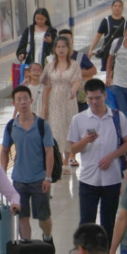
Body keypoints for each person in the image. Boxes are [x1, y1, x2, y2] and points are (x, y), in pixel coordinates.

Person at [68, 79, 127, 246]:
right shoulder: (79, 119)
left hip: (111, 179)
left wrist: (112, 156)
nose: (94, 102)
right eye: (90, 98)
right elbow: (72, 149)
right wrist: (85, 141)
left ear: (105, 95)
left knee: (108, 222)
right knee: (86, 223)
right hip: (88, 179)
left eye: (97, 98)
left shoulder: (117, 117)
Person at [1, 86, 55, 242]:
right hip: (19, 180)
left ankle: (47, 237)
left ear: (31, 101)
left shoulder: (42, 125)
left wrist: (48, 177)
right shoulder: (11, 126)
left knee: (43, 217)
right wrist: (3, 175)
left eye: (25, 98)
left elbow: (49, 152)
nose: (23, 102)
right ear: (14, 104)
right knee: (22, 217)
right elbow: (4, 151)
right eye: (19, 99)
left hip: (39, 179)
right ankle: (27, 245)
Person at [43, 36, 82, 168]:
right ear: (54, 49)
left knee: (68, 129)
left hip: (68, 101)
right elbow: (46, 86)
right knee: (56, 130)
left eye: (63, 47)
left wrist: (73, 90)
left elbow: (77, 81)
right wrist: (44, 106)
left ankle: (66, 161)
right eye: (58, 47)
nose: (61, 49)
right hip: (53, 101)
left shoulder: (75, 65)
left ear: (68, 48)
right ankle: (59, 162)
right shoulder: (49, 66)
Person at [89, 0, 127, 71]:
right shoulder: (106, 21)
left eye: (119, 6)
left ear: (122, 8)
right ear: (112, 8)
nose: (117, 8)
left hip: (121, 53)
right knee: (107, 73)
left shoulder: (126, 22)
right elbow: (98, 36)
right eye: (115, 6)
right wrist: (91, 49)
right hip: (107, 53)